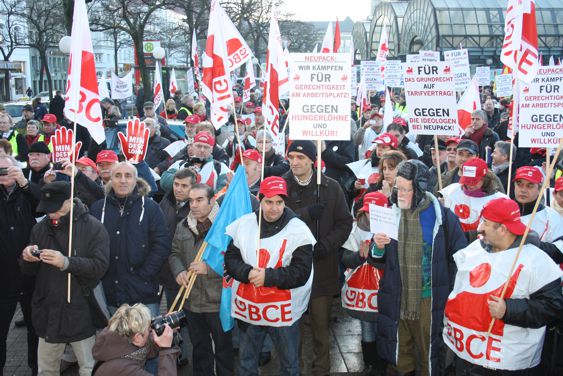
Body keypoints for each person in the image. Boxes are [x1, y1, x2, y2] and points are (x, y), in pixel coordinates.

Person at [443, 197, 563, 374]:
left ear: (503, 228)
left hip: (507, 365)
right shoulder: (474, 248)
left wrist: (509, 310)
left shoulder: (535, 260)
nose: (480, 227)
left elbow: (553, 307)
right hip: (467, 358)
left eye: (486, 222)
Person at [372, 160, 468, 376]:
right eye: (398, 188)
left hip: (430, 301)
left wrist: (453, 292)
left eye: (407, 189)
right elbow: (377, 259)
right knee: (400, 356)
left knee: (429, 356)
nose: (400, 194)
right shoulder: (389, 213)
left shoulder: (443, 218)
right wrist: (377, 248)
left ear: (421, 188)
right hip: (397, 297)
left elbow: (460, 258)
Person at [225, 176, 315, 376]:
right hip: (251, 308)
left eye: (279, 202)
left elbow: (301, 272)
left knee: (290, 364)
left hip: (283, 311)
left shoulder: (298, 230)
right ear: (260, 199)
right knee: (247, 361)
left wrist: (268, 277)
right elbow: (231, 258)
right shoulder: (245, 224)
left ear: (285, 202)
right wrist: (247, 273)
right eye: (268, 202)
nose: (274, 208)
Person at [20, 181, 110, 376]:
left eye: (56, 208)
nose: (51, 214)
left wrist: (66, 263)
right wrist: (27, 258)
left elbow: (100, 267)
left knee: (89, 369)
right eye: (47, 209)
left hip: (81, 310)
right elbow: (28, 271)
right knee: (46, 369)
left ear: (70, 200)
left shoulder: (93, 227)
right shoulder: (40, 228)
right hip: (48, 310)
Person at [283, 140, 353, 376]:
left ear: (313, 160)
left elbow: (344, 223)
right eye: (291, 157)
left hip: (321, 269)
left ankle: (321, 369)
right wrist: (303, 214)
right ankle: (294, 369)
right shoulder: (281, 185)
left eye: (300, 158)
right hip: (289, 270)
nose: (295, 162)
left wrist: (326, 245)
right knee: (290, 329)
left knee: (320, 328)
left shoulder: (331, 187)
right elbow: (271, 217)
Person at [169, 183, 234, 376]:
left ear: (212, 200)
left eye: (199, 200)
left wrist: (210, 268)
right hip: (191, 302)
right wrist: (179, 271)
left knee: (223, 350)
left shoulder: (227, 227)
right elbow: (174, 254)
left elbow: (236, 260)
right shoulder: (183, 225)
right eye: (191, 201)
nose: (194, 205)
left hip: (218, 302)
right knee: (199, 348)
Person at [90, 162, 170, 316]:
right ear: (110, 179)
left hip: (142, 292)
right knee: (113, 339)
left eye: (128, 176)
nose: (123, 180)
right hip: (109, 292)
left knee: (146, 338)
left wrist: (145, 274)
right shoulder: (98, 208)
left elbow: (161, 244)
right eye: (118, 175)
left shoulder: (151, 208)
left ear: (136, 179)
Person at [0, 155, 40, 375]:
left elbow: (43, 204)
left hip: (29, 274)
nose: (3, 174)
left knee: (35, 328)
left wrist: (25, 183)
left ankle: (35, 367)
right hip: (3, 277)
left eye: (8, 170)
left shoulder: (26, 193)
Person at [341, 191, 389, 375]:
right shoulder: (356, 230)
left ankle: (382, 363)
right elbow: (345, 259)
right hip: (363, 290)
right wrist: (360, 256)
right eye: (368, 212)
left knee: (383, 328)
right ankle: (370, 363)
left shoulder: (391, 231)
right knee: (367, 327)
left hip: (384, 288)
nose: (370, 216)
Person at [92, 303, 179, 375]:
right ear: (137, 337)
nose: (151, 331)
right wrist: (166, 349)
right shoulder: (123, 369)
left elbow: (145, 350)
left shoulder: (118, 341)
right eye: (148, 330)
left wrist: (163, 332)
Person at [441, 157, 507, 242]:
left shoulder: (500, 200)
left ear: (484, 178)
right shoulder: (451, 191)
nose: (470, 186)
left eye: (475, 181)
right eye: (467, 181)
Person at [512, 166, 563, 263]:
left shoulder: (551, 216)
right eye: (519, 184)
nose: (523, 190)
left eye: (529, 186)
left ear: (539, 189)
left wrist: (534, 243)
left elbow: (559, 253)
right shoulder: (501, 210)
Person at [161, 132, 230, 193]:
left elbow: (223, 192)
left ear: (211, 149)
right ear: (192, 146)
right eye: (199, 146)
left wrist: (201, 199)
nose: (202, 150)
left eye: (206, 147)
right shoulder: (180, 164)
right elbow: (164, 183)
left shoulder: (220, 168)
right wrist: (183, 175)